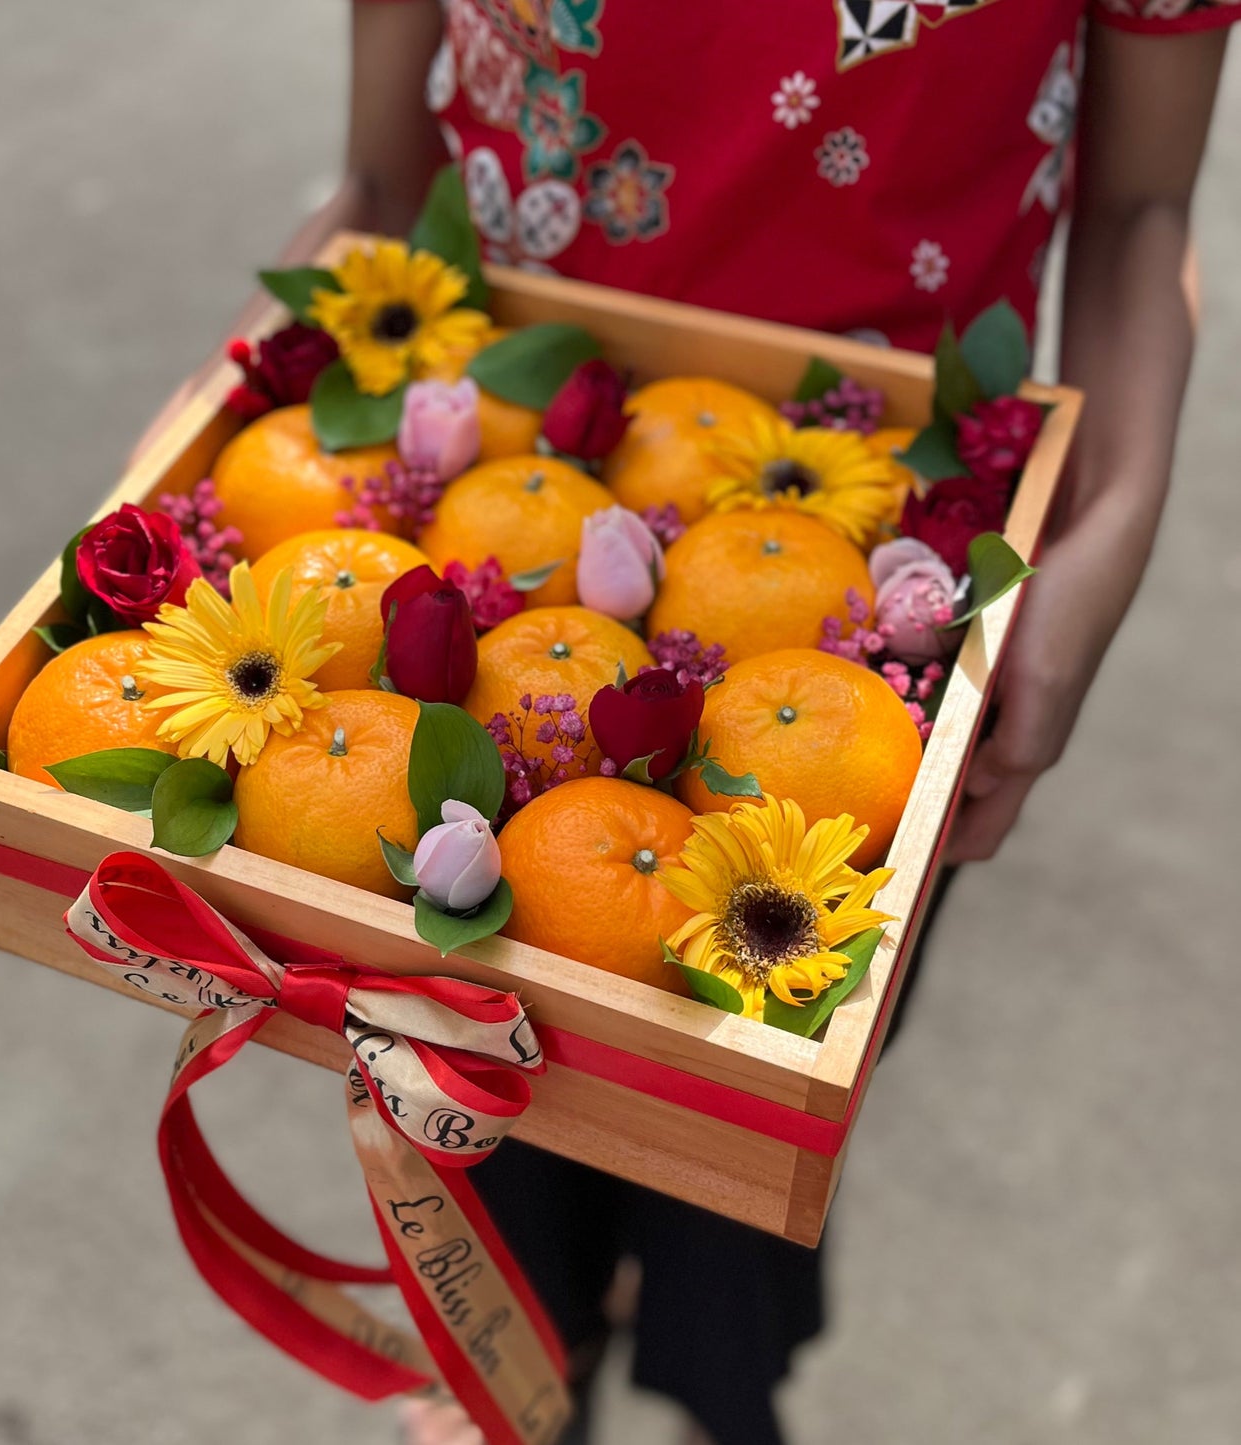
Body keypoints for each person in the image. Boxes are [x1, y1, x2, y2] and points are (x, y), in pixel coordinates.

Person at [140, 4, 1238, 1441]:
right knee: (463, 1026)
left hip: (878, 554)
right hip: (501, 458)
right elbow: (379, 179)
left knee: (750, 1083)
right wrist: (242, 386)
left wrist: (1114, 523)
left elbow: (1143, 197)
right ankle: (515, 1351)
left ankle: (714, 1374)